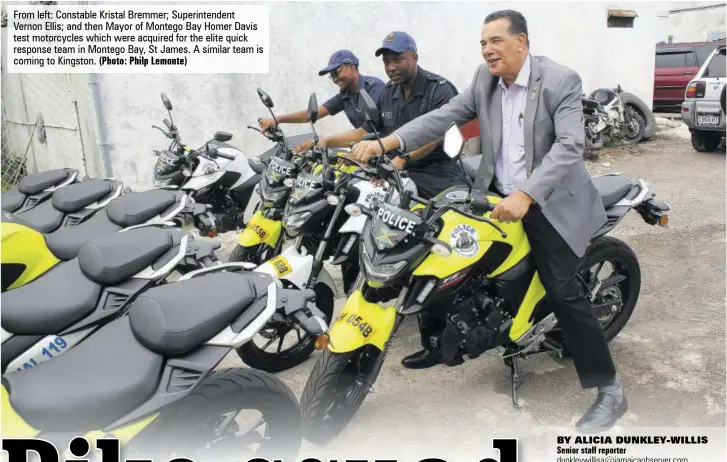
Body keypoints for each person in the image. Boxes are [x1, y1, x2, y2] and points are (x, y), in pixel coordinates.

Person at [349, 10, 627, 431]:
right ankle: (442, 342)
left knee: (564, 291)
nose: (487, 50)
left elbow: (571, 145)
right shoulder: (485, 79)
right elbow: (445, 117)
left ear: (522, 42)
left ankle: (610, 390)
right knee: (439, 248)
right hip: (495, 191)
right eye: (482, 43)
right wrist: (388, 141)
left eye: (495, 40)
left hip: (549, 201)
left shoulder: (559, 80)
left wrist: (528, 193)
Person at [258, 50, 385, 149]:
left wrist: (324, 141)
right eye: (332, 76)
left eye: (336, 72)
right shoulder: (345, 95)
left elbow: (363, 132)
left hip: (389, 153)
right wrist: (278, 119)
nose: (335, 79)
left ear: (351, 66)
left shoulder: (374, 88)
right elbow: (312, 114)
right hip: (367, 150)